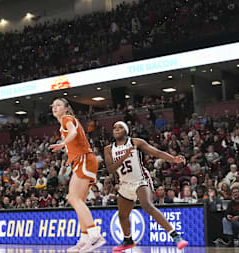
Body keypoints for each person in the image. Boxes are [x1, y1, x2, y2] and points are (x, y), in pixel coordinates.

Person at [105, 121, 189, 252]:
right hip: (125, 183)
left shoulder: (135, 142)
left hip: (140, 180)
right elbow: (110, 169)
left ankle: (176, 236)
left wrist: (173, 159)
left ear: (126, 131)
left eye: (120, 127)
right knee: (122, 215)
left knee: (147, 206)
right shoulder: (108, 149)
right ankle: (128, 240)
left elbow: (157, 152)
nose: (116, 129)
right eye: (114, 127)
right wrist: (125, 156)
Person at [48, 98, 104, 253]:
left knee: (73, 199)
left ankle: (95, 235)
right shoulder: (65, 122)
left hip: (84, 159)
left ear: (66, 108)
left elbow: (72, 132)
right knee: (79, 201)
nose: (55, 107)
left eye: (58, 105)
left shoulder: (67, 119)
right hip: (83, 160)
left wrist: (62, 143)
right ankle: (84, 239)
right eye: (53, 105)